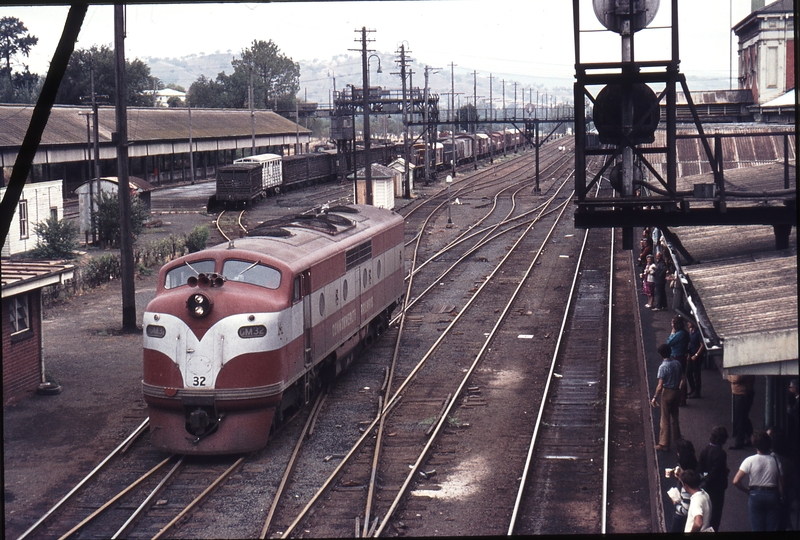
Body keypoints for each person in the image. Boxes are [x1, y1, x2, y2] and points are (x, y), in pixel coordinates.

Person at [732, 430, 784, 531]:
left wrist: (747, 490)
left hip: (755, 495)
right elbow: (781, 485)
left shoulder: (749, 461)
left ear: (754, 445)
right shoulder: (776, 461)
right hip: (772, 495)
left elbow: (736, 481)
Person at [698, 426, 730, 532]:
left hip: (705, 487)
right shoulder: (721, 454)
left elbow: (700, 467)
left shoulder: (705, 449)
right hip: (717, 489)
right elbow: (716, 472)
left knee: (706, 515)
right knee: (715, 517)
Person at [651, 343, 682, 451]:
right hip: (676, 391)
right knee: (675, 417)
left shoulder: (663, 367)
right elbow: (682, 378)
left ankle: (664, 444)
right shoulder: (677, 363)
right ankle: (678, 441)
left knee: (665, 418)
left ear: (661, 354)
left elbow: (660, 386)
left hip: (667, 392)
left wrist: (655, 397)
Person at [668, 439, 698, 532]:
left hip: (680, 517)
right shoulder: (695, 467)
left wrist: (675, 504)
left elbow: (685, 510)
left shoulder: (686, 486)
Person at [667, 316, 689, 406]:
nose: (671, 325)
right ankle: (681, 397)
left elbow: (669, 342)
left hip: (678, 356)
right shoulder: (683, 333)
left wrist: (672, 333)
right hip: (679, 356)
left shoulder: (680, 334)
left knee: (679, 378)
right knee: (681, 377)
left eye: (673, 323)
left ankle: (681, 399)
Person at [729, 374, 756, 449]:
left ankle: (739, 441)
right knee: (743, 417)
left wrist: (730, 377)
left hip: (743, 394)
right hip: (740, 393)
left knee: (740, 418)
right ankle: (750, 437)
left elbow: (737, 378)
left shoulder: (745, 369)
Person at [686, 320, 704, 399]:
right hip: (691, 354)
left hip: (696, 356)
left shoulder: (698, 332)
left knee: (697, 374)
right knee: (688, 373)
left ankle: (697, 392)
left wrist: (696, 355)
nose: (687, 323)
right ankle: (693, 389)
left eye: (689, 322)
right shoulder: (691, 331)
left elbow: (702, 345)